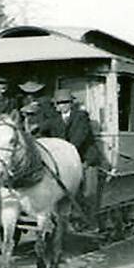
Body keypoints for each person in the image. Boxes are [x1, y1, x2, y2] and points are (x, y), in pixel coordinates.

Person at [53, 89, 102, 227]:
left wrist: (63, 152)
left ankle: (91, 221)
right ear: (56, 105)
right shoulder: (55, 120)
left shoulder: (81, 117)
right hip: (65, 159)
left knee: (88, 192)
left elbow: (79, 138)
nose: (62, 106)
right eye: (59, 103)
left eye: (65, 102)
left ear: (71, 103)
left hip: (85, 157)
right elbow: (43, 131)